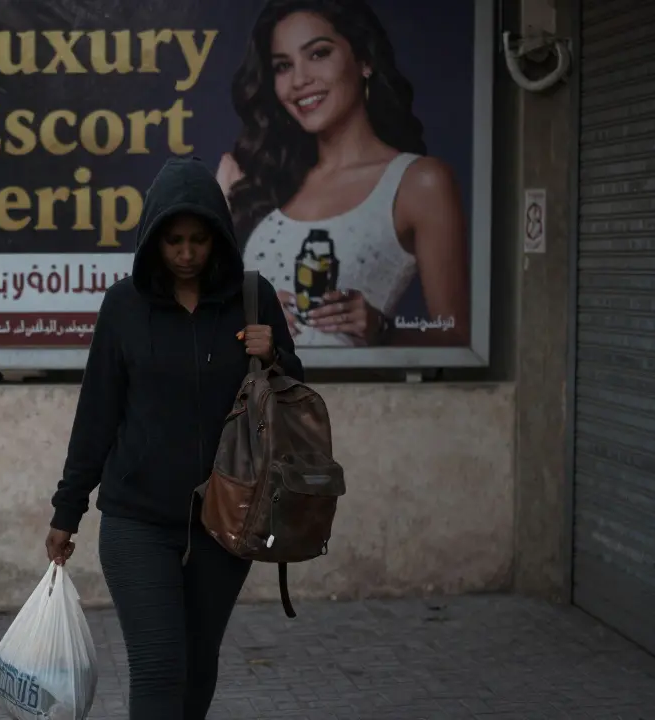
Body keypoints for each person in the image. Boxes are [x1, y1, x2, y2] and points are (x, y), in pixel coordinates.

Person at [45, 157, 304, 719]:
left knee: (198, 661)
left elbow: (294, 396)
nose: (186, 254)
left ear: (217, 236)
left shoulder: (253, 298)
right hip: (137, 520)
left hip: (226, 518)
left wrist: (275, 355)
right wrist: (68, 509)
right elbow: (96, 414)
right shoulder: (124, 307)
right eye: (173, 241)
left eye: (198, 240)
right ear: (152, 240)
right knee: (160, 666)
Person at [217, 0, 470, 348]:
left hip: (353, 399)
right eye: (282, 66)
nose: (300, 80)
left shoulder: (419, 182)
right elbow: (199, 328)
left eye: (318, 54)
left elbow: (457, 336)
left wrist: (381, 329)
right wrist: (246, 318)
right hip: (255, 398)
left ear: (364, 60)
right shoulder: (253, 178)